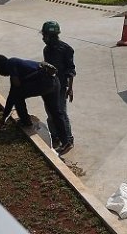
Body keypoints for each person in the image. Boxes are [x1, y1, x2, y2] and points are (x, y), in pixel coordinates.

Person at [0, 54, 65, 144]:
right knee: (55, 112)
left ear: (0, 66)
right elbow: (12, 94)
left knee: (17, 96)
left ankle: (25, 121)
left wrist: (4, 117)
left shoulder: (10, 63)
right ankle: (65, 141)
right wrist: (4, 117)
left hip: (45, 83)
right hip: (54, 82)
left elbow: (15, 88)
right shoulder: (17, 66)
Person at [41, 20, 76, 155]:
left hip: (60, 87)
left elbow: (71, 70)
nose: (43, 38)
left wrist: (70, 88)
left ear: (50, 35)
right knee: (51, 114)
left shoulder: (66, 49)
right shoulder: (47, 49)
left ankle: (68, 140)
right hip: (48, 86)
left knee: (60, 113)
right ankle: (55, 137)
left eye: (44, 35)